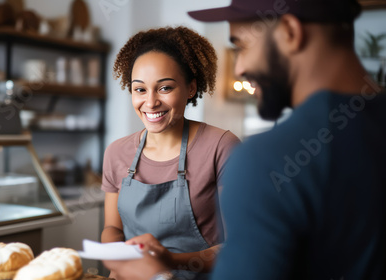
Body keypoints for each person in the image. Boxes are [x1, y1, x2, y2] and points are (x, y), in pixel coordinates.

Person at [103, 0, 386, 279]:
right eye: (139, 89)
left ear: (290, 31)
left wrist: (158, 275)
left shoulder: (264, 160)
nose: (238, 68)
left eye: (241, 46)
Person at [101, 26, 240, 279]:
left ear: (190, 88)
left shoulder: (221, 146)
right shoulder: (116, 152)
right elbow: (112, 227)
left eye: (165, 88)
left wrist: (170, 261)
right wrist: (116, 256)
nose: (151, 102)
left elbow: (237, 246)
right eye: (140, 89)